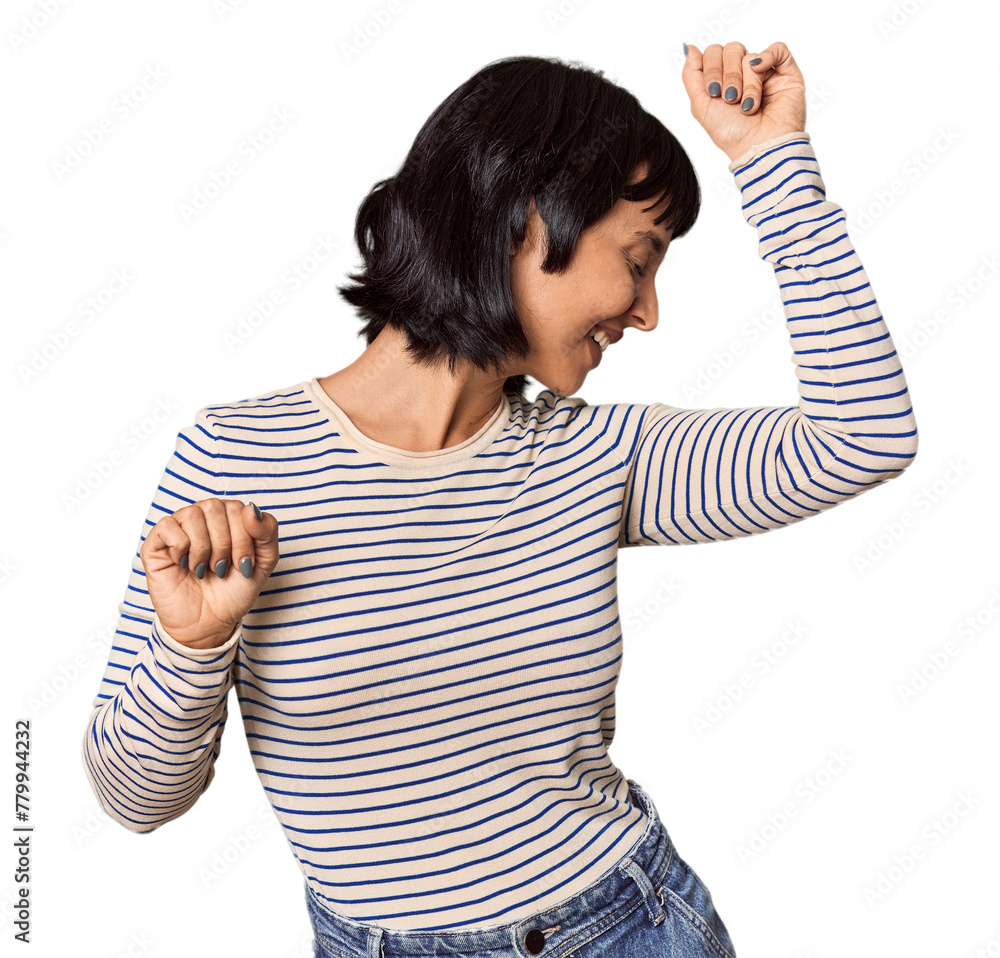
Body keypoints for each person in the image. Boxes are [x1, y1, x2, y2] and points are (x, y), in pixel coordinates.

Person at [81, 41, 918, 958]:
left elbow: (865, 434)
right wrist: (191, 645)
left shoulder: (599, 456)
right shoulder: (237, 455)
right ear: (526, 218)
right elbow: (134, 800)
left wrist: (772, 160)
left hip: (624, 928)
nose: (648, 312)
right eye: (639, 260)